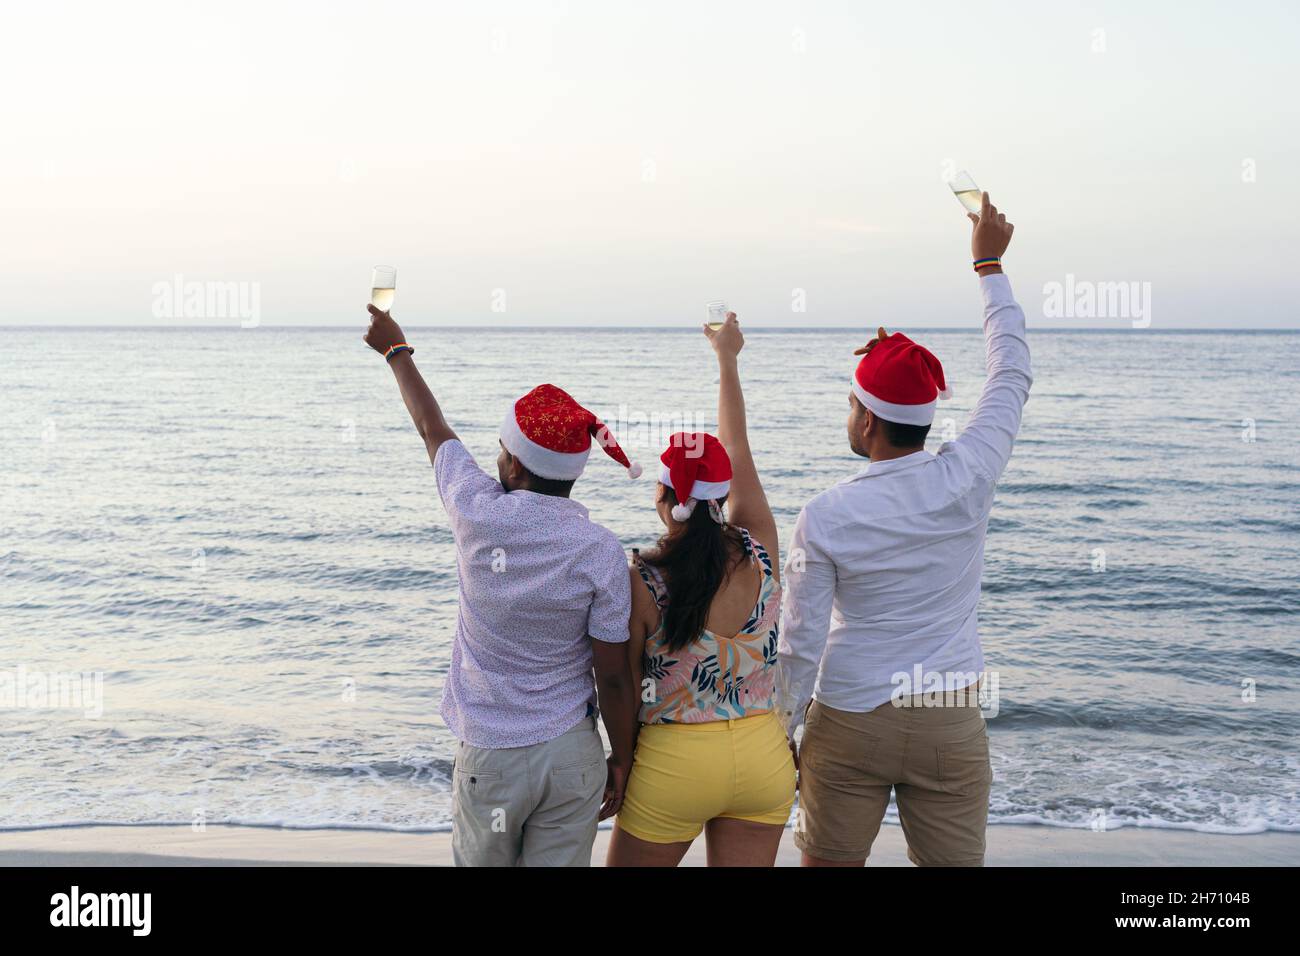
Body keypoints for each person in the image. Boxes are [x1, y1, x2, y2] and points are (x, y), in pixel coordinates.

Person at [779, 192, 1030, 867]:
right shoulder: (968, 474)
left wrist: (781, 729)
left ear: (865, 419)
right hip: (945, 718)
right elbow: (1011, 370)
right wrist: (987, 264)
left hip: (850, 718)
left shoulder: (826, 514)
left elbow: (799, 642)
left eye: (852, 401)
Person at [362, 305, 639, 867]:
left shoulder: (474, 510)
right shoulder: (601, 550)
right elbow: (612, 674)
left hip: (491, 756)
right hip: (570, 755)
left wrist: (397, 353)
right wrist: (622, 758)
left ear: (514, 465)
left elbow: (431, 427)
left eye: (502, 450)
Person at [607, 312, 795, 867]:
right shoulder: (761, 547)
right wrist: (727, 360)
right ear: (721, 494)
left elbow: (620, 680)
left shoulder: (642, 577)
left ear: (664, 494)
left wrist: (619, 761)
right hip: (764, 759)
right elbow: (737, 449)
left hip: (675, 764)